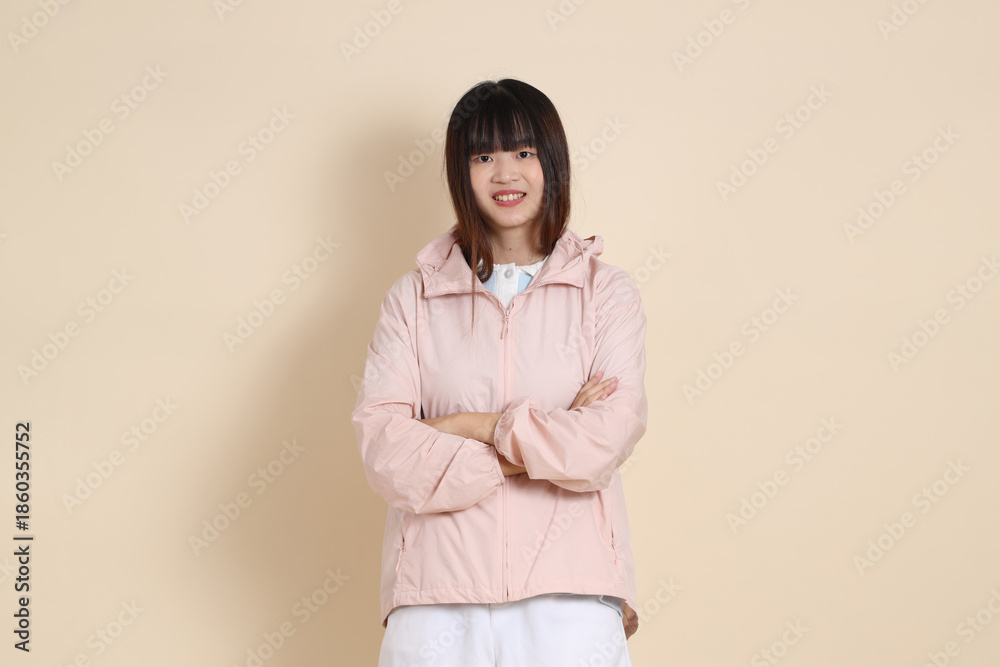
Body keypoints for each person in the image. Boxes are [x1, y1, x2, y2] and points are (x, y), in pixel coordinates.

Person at [352, 78, 648, 667]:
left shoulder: (606, 293)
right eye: (483, 156)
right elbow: (385, 453)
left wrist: (465, 426)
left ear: (551, 161)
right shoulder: (412, 299)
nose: (504, 173)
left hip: (571, 597)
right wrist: (545, 440)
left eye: (523, 152)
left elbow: (603, 441)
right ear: (460, 172)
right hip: (435, 599)